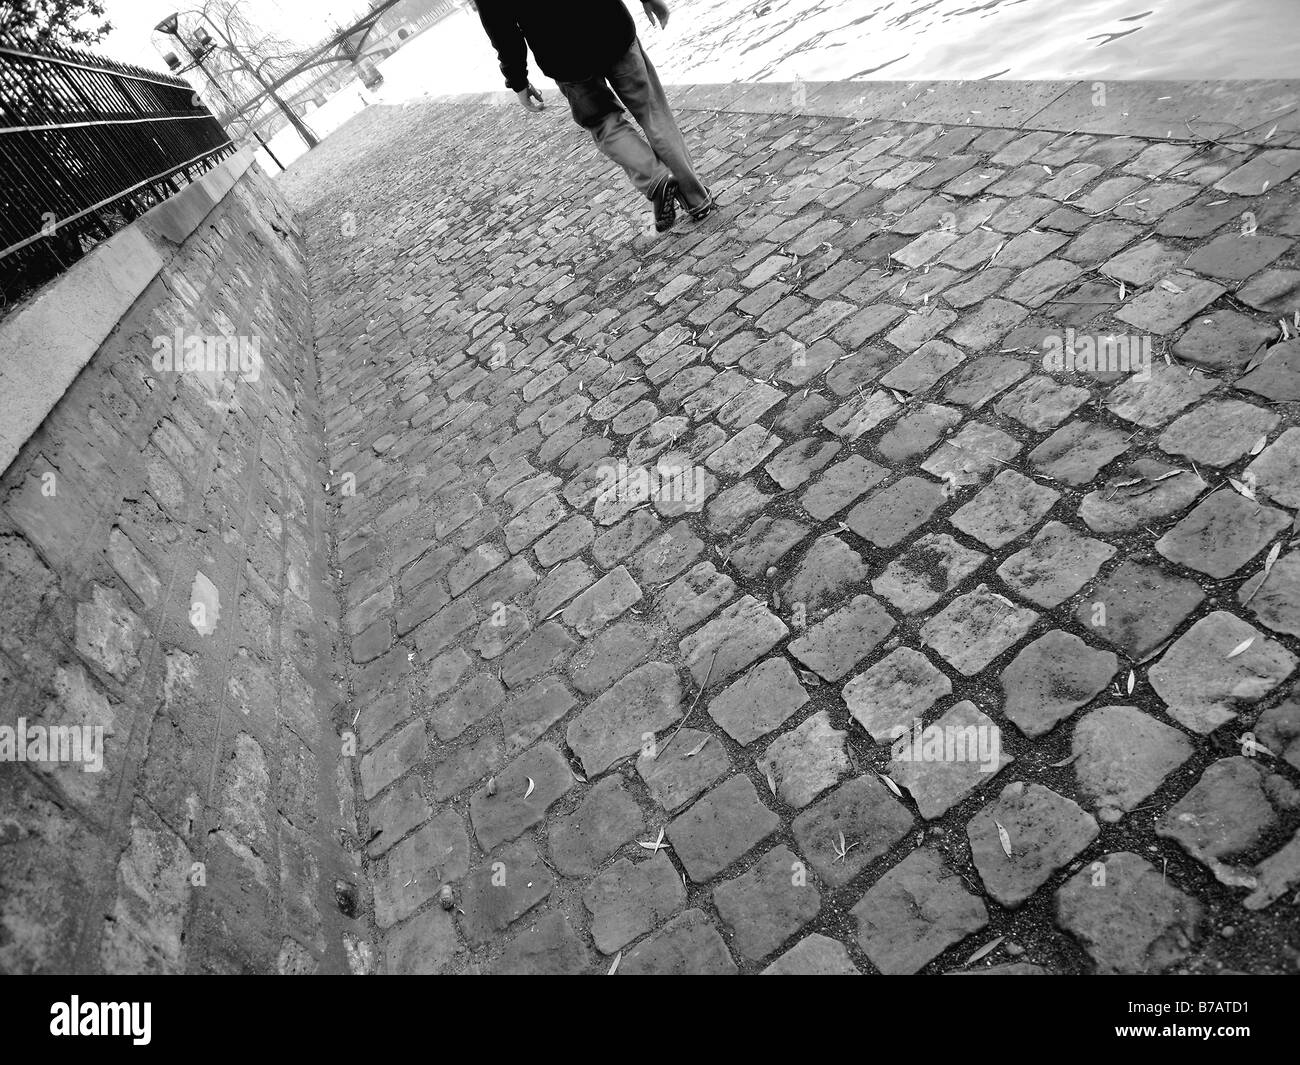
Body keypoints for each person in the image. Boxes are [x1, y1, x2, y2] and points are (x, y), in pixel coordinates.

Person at [473, 0, 715, 232]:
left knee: (606, 127)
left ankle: (656, 178)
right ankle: (696, 200)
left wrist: (517, 79)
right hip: (609, 25)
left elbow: (500, 25)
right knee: (653, 114)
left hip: (562, 55)